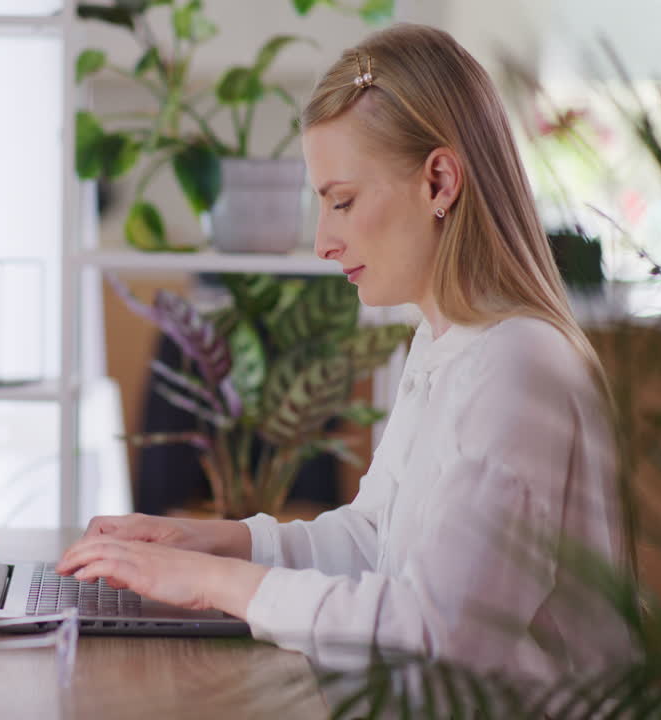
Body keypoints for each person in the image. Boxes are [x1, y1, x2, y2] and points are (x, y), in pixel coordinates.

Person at [57, 23, 630, 681]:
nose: (323, 241)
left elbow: (437, 632)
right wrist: (213, 542)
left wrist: (212, 582)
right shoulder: (448, 342)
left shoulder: (517, 366)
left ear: (439, 182)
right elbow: (373, 539)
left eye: (342, 202)